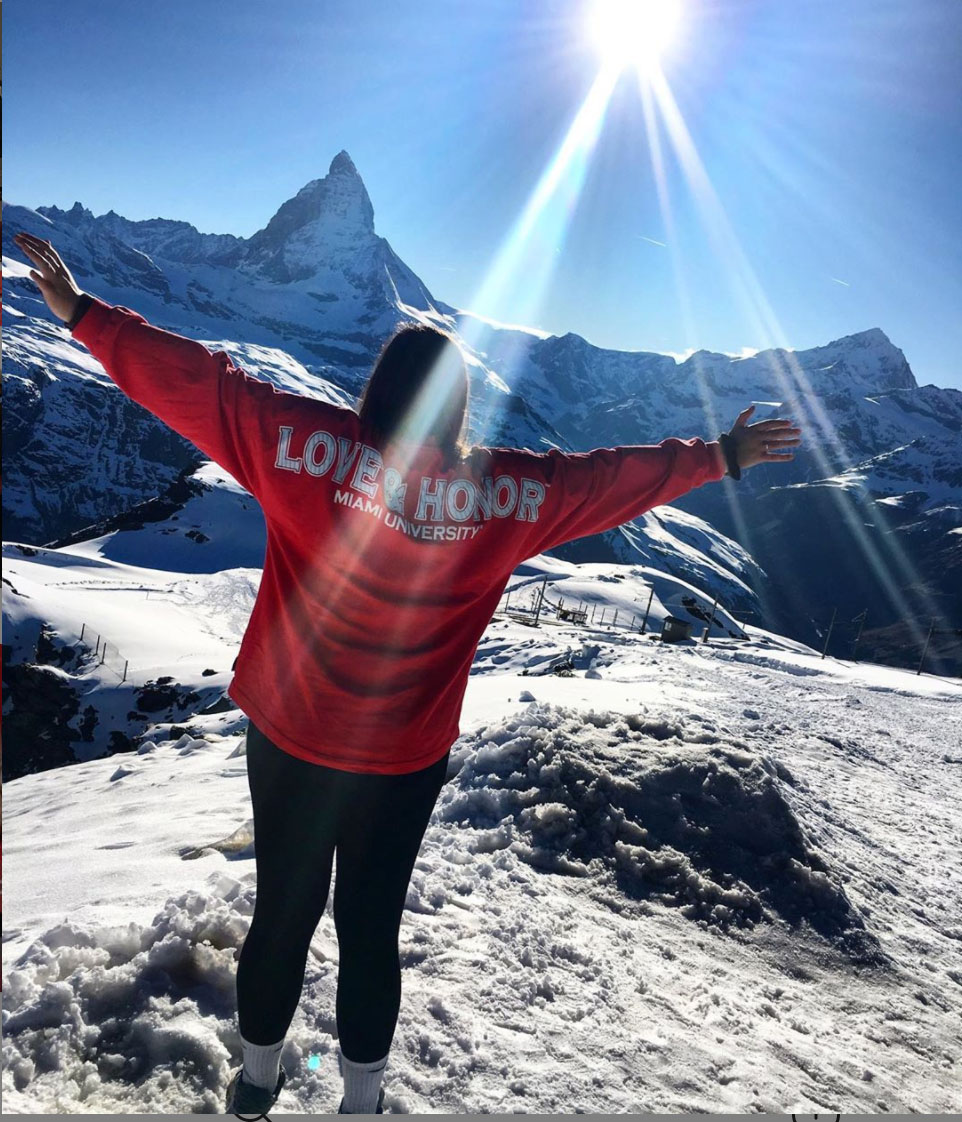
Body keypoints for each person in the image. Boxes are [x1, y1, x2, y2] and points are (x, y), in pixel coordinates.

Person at [14, 230, 802, 1116]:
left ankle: (259, 1083)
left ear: (377, 391)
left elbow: (206, 386)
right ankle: (359, 1102)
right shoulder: (512, 493)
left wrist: (85, 316)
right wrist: (719, 458)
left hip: (291, 733)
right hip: (403, 757)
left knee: (282, 912)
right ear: (460, 408)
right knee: (370, 929)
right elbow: (607, 478)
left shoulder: (299, 445)